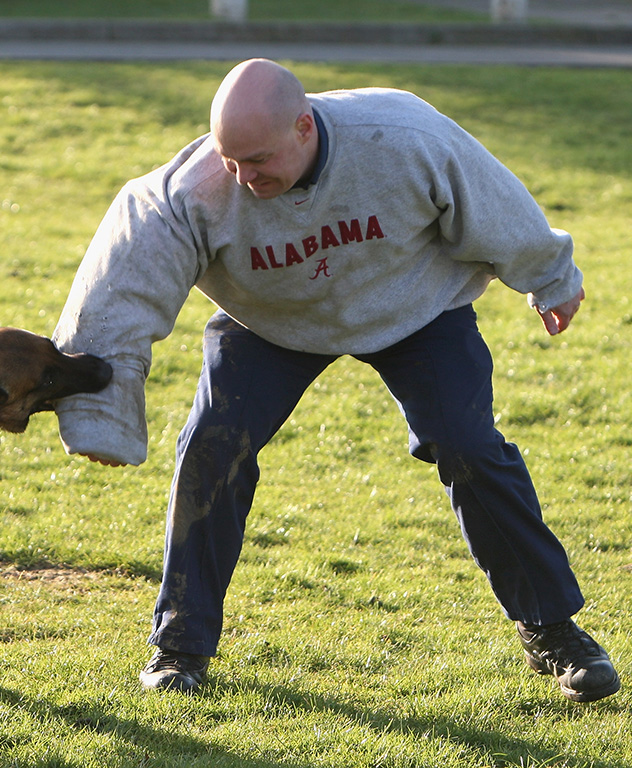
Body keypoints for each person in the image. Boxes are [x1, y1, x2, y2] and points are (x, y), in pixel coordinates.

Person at [51, 59, 619, 702]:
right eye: (231, 160)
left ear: (303, 125)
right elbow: (117, 292)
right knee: (213, 446)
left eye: (259, 159)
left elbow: (491, 197)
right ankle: (179, 648)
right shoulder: (192, 191)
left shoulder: (400, 136)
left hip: (413, 306)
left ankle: (554, 632)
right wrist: (101, 413)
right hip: (271, 320)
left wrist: (551, 276)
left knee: (466, 443)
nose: (244, 177)